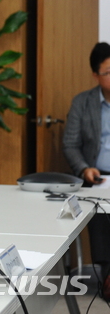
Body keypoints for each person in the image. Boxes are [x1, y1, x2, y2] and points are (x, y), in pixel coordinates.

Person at [63, 41, 110, 298]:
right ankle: (107, 274)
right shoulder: (83, 102)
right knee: (100, 210)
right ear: (96, 75)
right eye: (108, 72)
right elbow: (70, 144)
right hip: (98, 176)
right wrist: (84, 169)